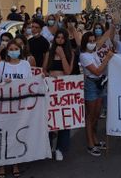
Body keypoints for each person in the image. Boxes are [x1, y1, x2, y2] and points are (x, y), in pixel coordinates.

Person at [0, 40, 33, 178]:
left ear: (20, 50)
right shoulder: (2, 65)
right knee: (3, 134)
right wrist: (4, 83)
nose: (14, 51)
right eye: (11, 49)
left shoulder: (26, 64)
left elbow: (30, 83)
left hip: (20, 106)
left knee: (17, 134)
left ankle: (15, 163)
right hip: (4, 105)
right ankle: (1, 165)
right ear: (7, 51)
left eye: (16, 48)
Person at [80, 31, 114, 157]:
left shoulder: (94, 52)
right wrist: (107, 58)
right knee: (90, 116)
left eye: (94, 41)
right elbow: (97, 71)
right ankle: (90, 144)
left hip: (100, 84)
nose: (92, 43)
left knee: (96, 114)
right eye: (89, 41)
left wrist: (112, 26)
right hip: (91, 85)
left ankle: (95, 139)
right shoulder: (83, 56)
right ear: (85, 42)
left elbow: (105, 36)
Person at [45, 30, 75, 161]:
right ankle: (48, 146)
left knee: (63, 120)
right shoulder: (48, 54)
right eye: (58, 37)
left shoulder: (70, 54)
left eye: (63, 38)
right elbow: (44, 70)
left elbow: (68, 71)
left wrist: (62, 56)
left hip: (63, 90)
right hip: (50, 87)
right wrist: (48, 76)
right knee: (49, 118)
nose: (60, 40)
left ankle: (60, 148)